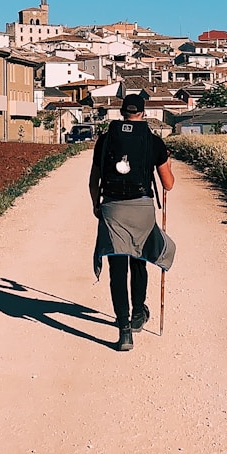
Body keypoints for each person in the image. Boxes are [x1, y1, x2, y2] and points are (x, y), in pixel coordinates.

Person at [90, 92, 175, 351]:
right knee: (139, 261)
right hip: (142, 208)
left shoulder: (105, 140)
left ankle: (125, 330)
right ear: (143, 112)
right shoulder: (153, 141)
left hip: (112, 208)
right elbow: (168, 185)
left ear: (121, 112)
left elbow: (94, 180)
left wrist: (97, 205)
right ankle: (138, 314)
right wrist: (166, 161)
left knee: (117, 268)